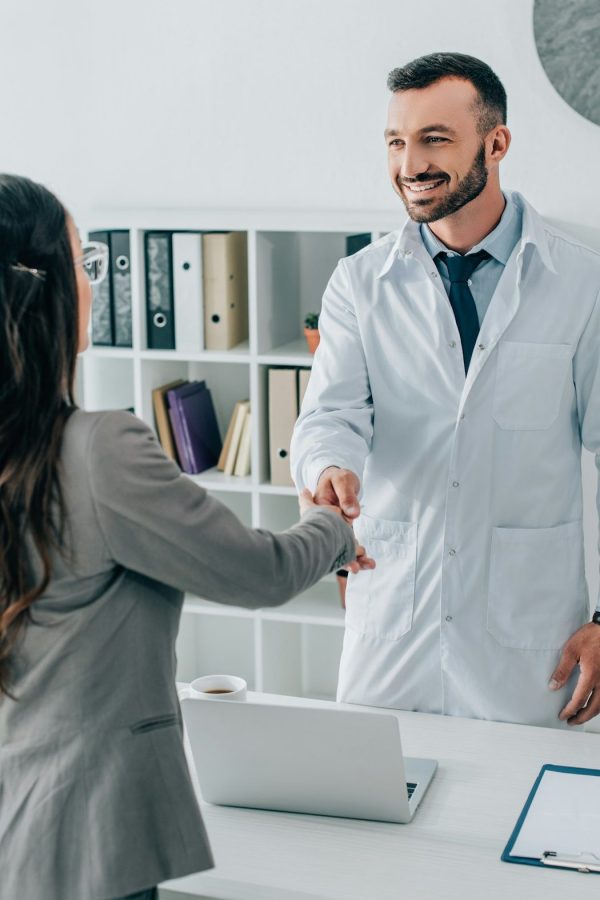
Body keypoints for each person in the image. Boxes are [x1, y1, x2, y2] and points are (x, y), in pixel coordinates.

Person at [0, 173, 374, 900]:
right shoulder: (97, 451)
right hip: (91, 836)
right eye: (85, 264)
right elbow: (258, 574)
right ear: (42, 292)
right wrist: (333, 527)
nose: (93, 287)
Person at [291, 52, 600, 730]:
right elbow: (330, 416)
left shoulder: (582, 286)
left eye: (435, 139)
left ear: (497, 143)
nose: (410, 164)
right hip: (392, 622)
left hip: (528, 644)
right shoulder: (360, 283)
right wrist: (328, 467)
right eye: (397, 142)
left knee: (524, 818)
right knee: (372, 807)